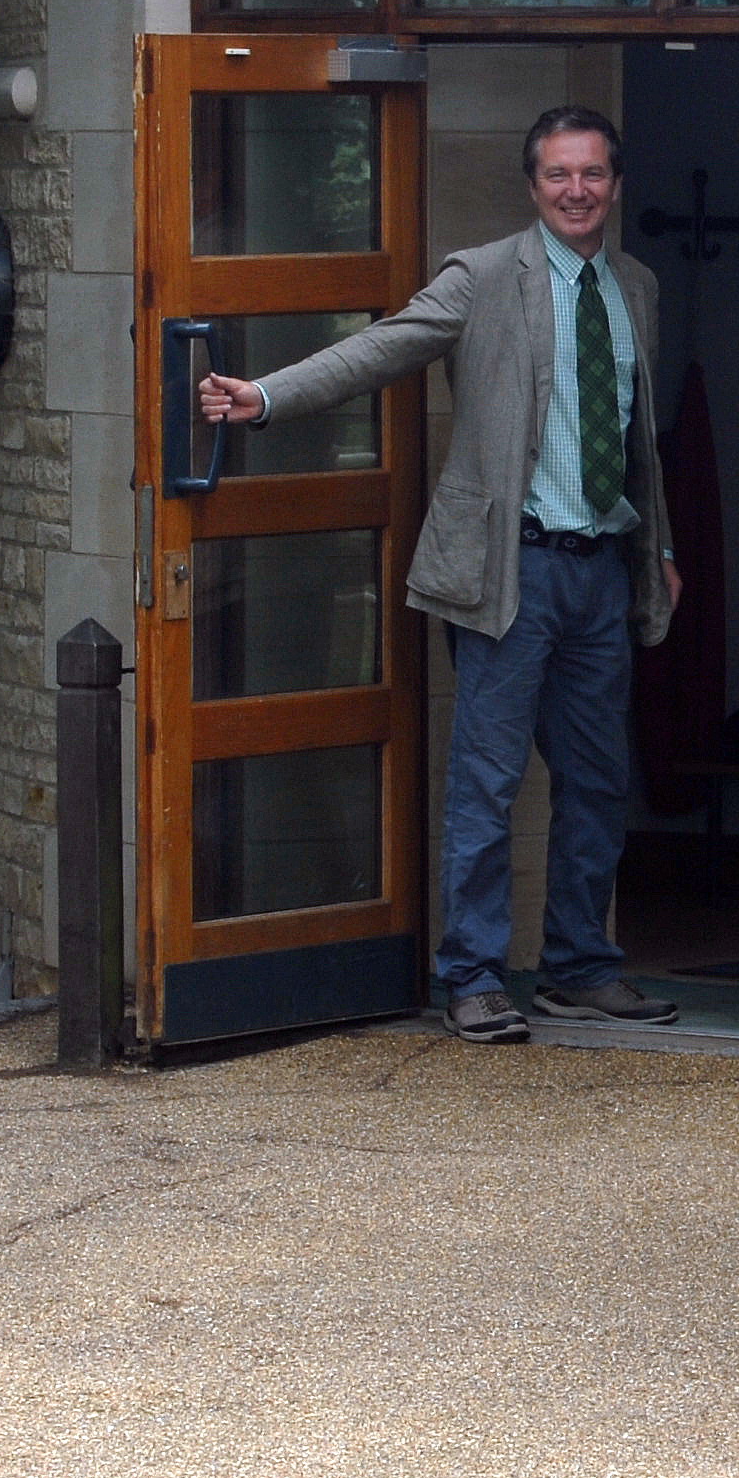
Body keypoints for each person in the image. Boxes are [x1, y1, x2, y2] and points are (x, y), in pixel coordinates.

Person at [198, 106, 683, 1045]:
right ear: (532, 186)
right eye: (558, 175)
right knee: (488, 784)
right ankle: (471, 975)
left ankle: (580, 968)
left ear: (615, 185)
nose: (576, 191)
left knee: (596, 781)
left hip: (601, 573)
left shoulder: (637, 287)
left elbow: (633, 440)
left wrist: (655, 549)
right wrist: (264, 398)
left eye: (592, 175)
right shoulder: (483, 275)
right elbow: (382, 347)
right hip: (511, 569)